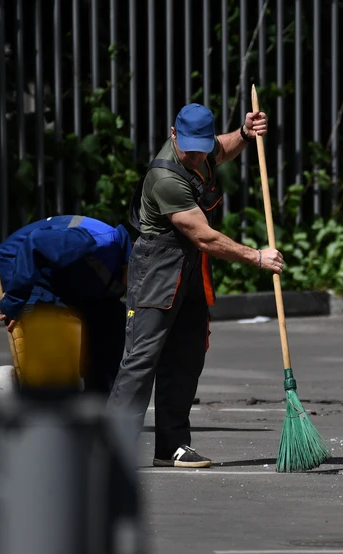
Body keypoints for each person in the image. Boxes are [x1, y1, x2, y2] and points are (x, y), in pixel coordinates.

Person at [107, 103, 283, 469]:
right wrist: (257, 257)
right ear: (173, 134)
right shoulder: (166, 177)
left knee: (187, 356)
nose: (196, 154)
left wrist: (246, 134)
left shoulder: (202, 149)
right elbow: (204, 237)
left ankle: (171, 446)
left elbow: (223, 147)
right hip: (157, 267)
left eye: (202, 147)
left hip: (188, 270)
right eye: (189, 147)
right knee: (141, 358)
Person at [0, 215, 133, 395]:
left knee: (112, 317)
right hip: (23, 263)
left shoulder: (120, 273)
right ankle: (43, 406)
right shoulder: (102, 242)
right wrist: (14, 302)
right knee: (48, 331)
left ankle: (101, 401)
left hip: (59, 275)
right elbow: (35, 243)